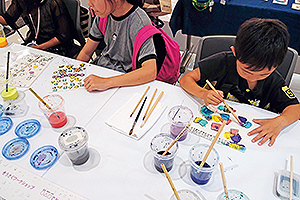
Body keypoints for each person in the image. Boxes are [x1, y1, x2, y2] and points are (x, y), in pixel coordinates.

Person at [180, 18, 300, 147]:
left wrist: (280, 122)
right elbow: (186, 79)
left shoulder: (274, 80)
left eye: (264, 74)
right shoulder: (223, 62)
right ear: (235, 52)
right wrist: (203, 93)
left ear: (277, 65)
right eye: (247, 71)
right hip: (211, 133)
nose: (253, 78)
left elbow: (295, 108)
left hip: (249, 139)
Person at [76, 0, 157, 92]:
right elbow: (86, 52)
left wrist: (106, 82)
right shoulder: (103, 16)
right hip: (102, 71)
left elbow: (150, 71)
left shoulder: (139, 21)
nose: (89, 4)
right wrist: (74, 72)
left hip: (123, 82)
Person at [0, 0, 76, 57]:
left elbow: (63, 36)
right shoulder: (22, 1)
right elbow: (7, 20)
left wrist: (38, 48)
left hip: (55, 46)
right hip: (35, 41)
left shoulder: (54, 3)